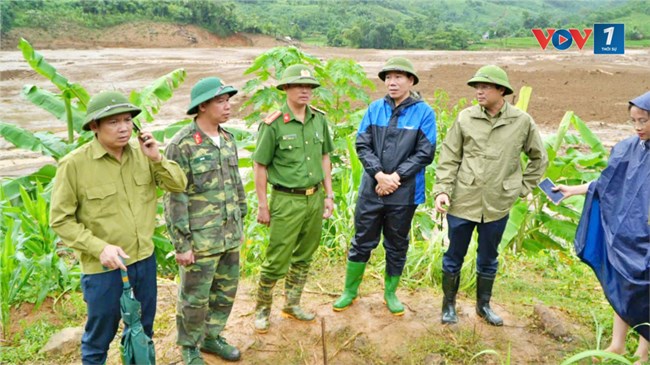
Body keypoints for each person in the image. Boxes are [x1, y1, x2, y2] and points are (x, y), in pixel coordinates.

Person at [50, 91, 187, 364]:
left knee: (142, 330)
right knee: (99, 337)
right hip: (104, 270)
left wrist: (157, 158)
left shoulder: (143, 155)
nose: (123, 128)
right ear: (94, 126)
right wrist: (99, 248)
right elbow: (60, 220)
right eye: (113, 122)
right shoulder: (75, 165)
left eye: (127, 120)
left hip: (144, 261)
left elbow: (178, 185)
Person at [433, 65, 548, 326]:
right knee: (454, 256)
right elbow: (449, 157)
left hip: (497, 204)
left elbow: (539, 159)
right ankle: (448, 305)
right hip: (463, 201)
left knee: (488, 257)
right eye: (476, 87)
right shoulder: (465, 118)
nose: (479, 91)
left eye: (484, 87)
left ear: (501, 90)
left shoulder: (521, 122)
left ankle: (483, 306)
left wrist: (521, 188)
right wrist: (442, 190)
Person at [332, 57, 437, 316]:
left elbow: (425, 153)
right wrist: (379, 175)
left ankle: (390, 293)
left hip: (404, 192)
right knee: (362, 241)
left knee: (397, 243)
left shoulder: (424, 113)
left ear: (411, 81)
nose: (392, 82)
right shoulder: (375, 109)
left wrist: (394, 178)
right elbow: (362, 145)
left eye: (399, 77)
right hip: (372, 189)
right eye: (388, 77)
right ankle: (350, 291)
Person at [553, 91, 649, 364]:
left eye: (643, 121)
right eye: (634, 121)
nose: (638, 127)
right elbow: (606, 186)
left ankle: (643, 351)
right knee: (622, 283)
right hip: (625, 234)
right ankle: (617, 345)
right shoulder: (629, 148)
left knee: (646, 291)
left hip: (647, 237)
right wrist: (573, 190)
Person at [164, 77, 247, 364]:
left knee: (225, 292)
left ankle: (212, 336)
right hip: (200, 239)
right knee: (194, 298)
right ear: (202, 106)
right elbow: (175, 197)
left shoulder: (227, 139)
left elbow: (236, 185)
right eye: (221, 101)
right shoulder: (181, 145)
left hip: (229, 234)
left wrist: (241, 219)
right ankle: (189, 347)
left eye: (228, 100)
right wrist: (182, 243)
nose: (228, 106)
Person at [252, 64, 335, 333]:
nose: (305, 91)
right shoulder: (274, 124)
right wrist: (263, 205)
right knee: (277, 258)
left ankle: (292, 303)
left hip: (314, 197)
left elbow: (325, 158)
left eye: (309, 86)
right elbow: (260, 166)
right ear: (286, 88)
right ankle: (262, 310)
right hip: (286, 200)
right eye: (299, 86)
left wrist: (328, 196)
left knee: (304, 255)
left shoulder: (319, 119)